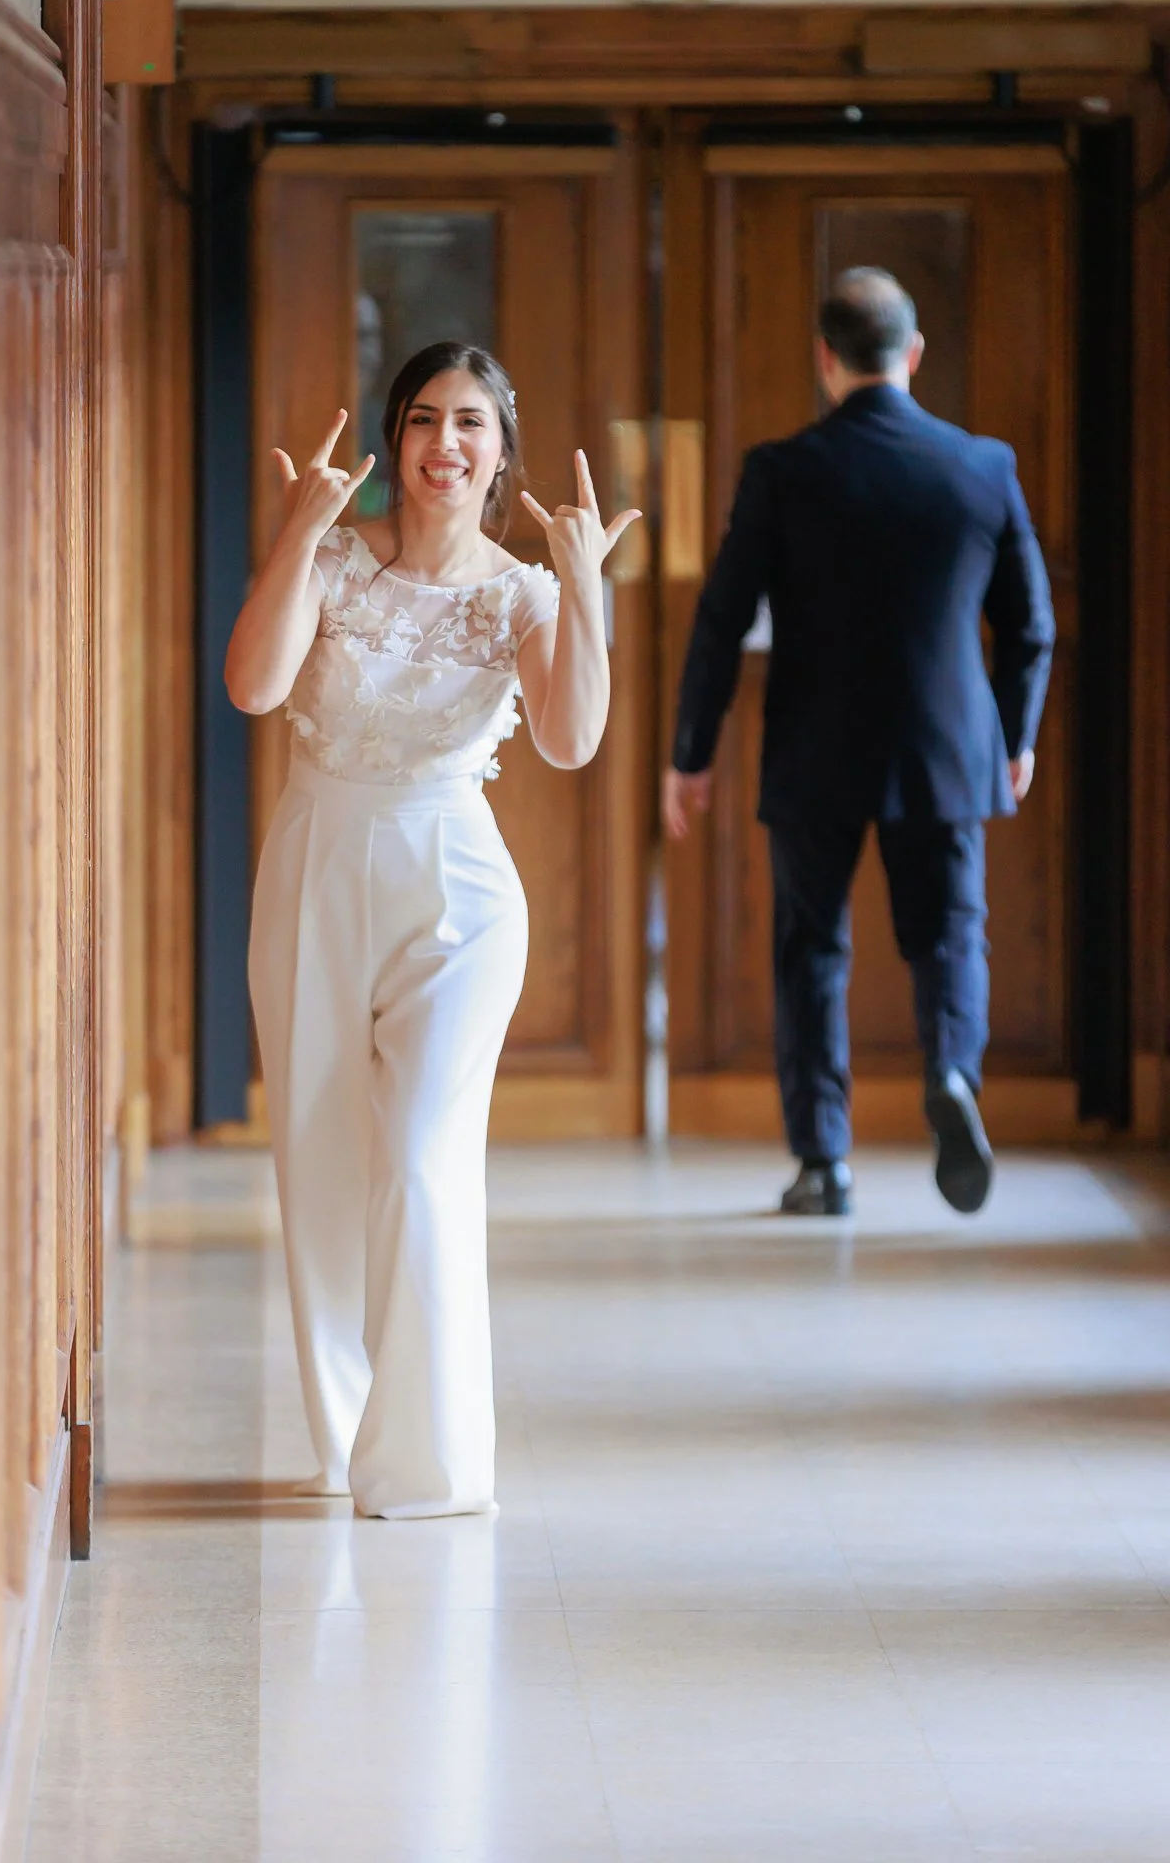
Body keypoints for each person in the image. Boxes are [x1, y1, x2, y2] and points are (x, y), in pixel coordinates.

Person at [226, 341, 639, 1517]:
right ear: (392, 441)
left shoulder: (520, 591)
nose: (442, 444)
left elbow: (568, 740)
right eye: (420, 419)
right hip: (314, 861)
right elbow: (253, 687)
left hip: (456, 885)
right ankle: (345, 1434)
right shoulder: (339, 563)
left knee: (417, 1157)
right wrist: (297, 534)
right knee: (318, 1163)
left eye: (468, 423)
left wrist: (584, 592)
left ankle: (431, 1463)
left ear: (498, 451)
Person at [664, 268, 1055, 1219]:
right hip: (949, 747)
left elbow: (720, 620)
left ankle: (822, 1163)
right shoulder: (982, 467)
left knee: (811, 950)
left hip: (814, 747)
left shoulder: (781, 471)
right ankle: (954, 1072)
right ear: (914, 354)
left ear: (824, 359)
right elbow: (1031, 623)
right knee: (951, 930)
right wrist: (1016, 731)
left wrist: (692, 751)